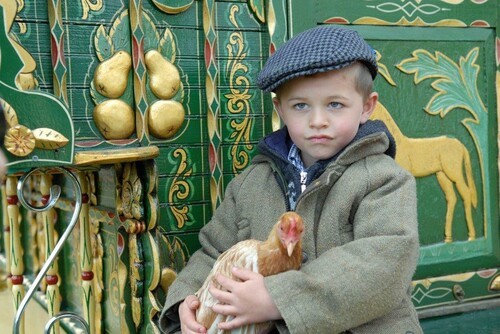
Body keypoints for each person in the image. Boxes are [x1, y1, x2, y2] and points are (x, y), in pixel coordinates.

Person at [159, 25, 422, 334]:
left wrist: (277, 299)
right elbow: (213, 252)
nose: (318, 120)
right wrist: (188, 301)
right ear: (280, 109)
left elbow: (382, 265)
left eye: (335, 104)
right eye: (300, 106)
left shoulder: (383, 180)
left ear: (366, 106)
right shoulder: (252, 183)